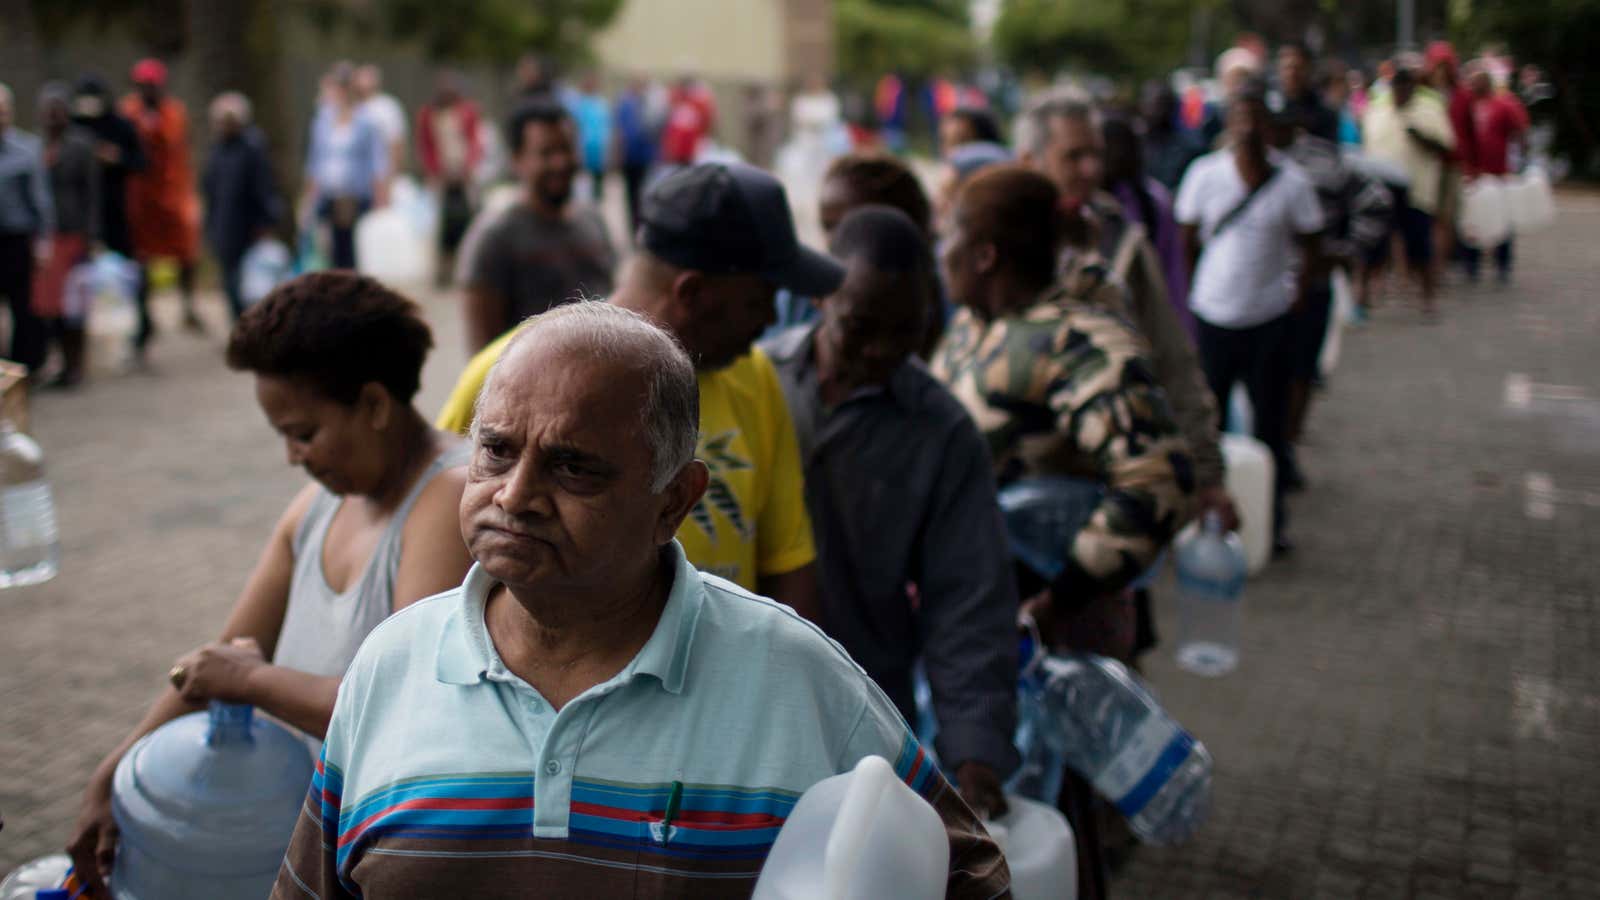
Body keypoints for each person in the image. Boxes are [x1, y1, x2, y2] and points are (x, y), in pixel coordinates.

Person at [270, 302, 1009, 899]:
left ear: (674, 502)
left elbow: (968, 876)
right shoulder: (390, 666)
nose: (515, 496)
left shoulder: (797, 679)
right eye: (494, 450)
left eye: (572, 468)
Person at [68, 272, 473, 897]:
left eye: (303, 433)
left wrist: (252, 682)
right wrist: (113, 773)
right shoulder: (318, 507)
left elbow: (399, 706)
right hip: (297, 844)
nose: (292, 456)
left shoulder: (445, 501)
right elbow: (223, 657)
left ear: (373, 404)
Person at [438, 162, 832, 617]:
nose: (769, 320)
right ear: (694, 294)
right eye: (760, 299)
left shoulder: (755, 377)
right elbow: (440, 545)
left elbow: (787, 559)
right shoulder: (507, 374)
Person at [761, 206, 1019, 819]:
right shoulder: (755, 384)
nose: (881, 350)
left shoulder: (943, 433)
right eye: (861, 327)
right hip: (738, 703)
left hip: (862, 719)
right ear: (822, 300)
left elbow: (969, 602)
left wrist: (974, 754)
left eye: (905, 332)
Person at [1016, 93, 1230, 539]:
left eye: (1096, 153)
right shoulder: (995, 242)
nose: (1091, 169)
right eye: (1073, 156)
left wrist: (1207, 473)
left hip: (1107, 485)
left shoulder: (1121, 238)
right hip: (1018, 484)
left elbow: (1172, 357)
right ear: (1029, 160)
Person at [1176, 83, 1324, 553]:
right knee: (1206, 426)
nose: (1248, 129)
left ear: (1271, 129)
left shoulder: (1293, 183)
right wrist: (1193, 292)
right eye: (1240, 119)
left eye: (1257, 120)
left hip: (1268, 320)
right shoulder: (1205, 174)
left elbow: (1311, 241)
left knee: (1269, 428)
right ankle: (1200, 517)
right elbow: (1186, 237)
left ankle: (1270, 523)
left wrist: (1297, 294)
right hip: (1214, 317)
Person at [1269, 103, 1393, 478]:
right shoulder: (1239, 159)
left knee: (1302, 371)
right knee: (1268, 375)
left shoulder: (1326, 160)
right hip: (1261, 292)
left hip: (1313, 286)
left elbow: (1376, 202)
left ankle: (1286, 449)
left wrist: (1346, 251)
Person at [458, 99, 615, 354]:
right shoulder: (494, 237)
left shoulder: (593, 221)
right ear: (517, 160)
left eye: (567, 149)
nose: (561, 162)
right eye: (547, 153)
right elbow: (482, 354)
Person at [120, 59, 204, 346]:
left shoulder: (174, 112)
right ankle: (145, 316)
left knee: (187, 249)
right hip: (141, 198)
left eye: (151, 85)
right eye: (142, 86)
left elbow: (173, 144)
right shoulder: (128, 111)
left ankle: (188, 305)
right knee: (140, 257)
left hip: (173, 192)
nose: (147, 90)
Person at [1361, 65, 1455, 316]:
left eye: (1406, 89)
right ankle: (1362, 297)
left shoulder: (1430, 111)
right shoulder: (1376, 111)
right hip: (1380, 190)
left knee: (1419, 246)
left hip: (1416, 191)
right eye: (1397, 89)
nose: (1401, 94)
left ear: (1414, 89)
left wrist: (1422, 138)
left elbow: (1447, 148)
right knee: (1372, 245)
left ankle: (1428, 299)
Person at [33, 83, 99, 387]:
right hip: (47, 236)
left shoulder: (81, 146)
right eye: (48, 112)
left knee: (75, 305)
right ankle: (58, 361)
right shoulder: (35, 148)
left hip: (74, 234)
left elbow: (92, 193)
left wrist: (91, 234)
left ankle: (76, 365)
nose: (53, 118)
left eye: (57, 111)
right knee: (51, 306)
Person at [202, 92, 282, 322]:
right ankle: (238, 326)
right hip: (224, 227)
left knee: (251, 285)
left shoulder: (253, 146)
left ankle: (253, 326)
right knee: (230, 284)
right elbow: (211, 189)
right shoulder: (217, 149)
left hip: (249, 228)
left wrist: (266, 221)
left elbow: (265, 186)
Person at [302, 62, 388, 270]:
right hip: (328, 194)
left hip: (355, 194)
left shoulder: (366, 121)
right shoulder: (323, 121)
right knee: (328, 249)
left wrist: (381, 196)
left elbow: (377, 162)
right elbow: (315, 161)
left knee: (351, 250)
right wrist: (308, 197)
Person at [1460, 60, 1530, 283]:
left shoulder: (1504, 105)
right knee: (1472, 221)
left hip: (1498, 172)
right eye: (1471, 81)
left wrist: (1522, 161)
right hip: (1472, 173)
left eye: (1478, 81)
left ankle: (1503, 264)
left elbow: (1520, 131)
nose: (1474, 85)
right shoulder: (1466, 105)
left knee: (1501, 219)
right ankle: (1471, 264)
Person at [0, 82, 52, 374]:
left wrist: (44, 241)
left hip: (17, 240)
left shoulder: (27, 149)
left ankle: (24, 369)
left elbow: (41, 200)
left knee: (24, 309)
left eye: (3, 111)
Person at [415, 71, 483, 287]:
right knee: (441, 224)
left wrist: (468, 167)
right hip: (441, 177)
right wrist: (435, 171)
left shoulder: (467, 112)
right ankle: (442, 269)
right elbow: (426, 146)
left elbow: (474, 141)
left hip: (464, 175)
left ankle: (467, 266)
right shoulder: (428, 114)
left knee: (467, 219)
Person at [1423, 41, 1475, 273]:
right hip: (1427, 162)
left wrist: (1474, 164)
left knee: (1447, 216)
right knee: (1427, 215)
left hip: (1453, 162)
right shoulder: (1423, 93)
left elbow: (1470, 131)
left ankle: (1439, 265)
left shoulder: (1462, 95)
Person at [612, 77, 659, 234]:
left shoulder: (649, 104)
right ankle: (634, 228)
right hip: (629, 157)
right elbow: (619, 132)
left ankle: (641, 226)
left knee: (643, 193)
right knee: (631, 194)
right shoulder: (624, 104)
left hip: (644, 157)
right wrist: (618, 155)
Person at [1139, 80, 1202, 192]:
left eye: (1162, 104)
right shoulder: (1135, 143)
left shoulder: (1190, 145)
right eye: (1151, 104)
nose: (1156, 111)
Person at [1274, 42, 1340, 142]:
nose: (1291, 74)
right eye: (1287, 68)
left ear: (1308, 68)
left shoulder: (1324, 114)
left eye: (1297, 68)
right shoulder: (1270, 107)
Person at [353, 63, 406, 183]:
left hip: (381, 176)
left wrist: (393, 175)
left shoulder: (387, 106)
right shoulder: (353, 108)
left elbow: (396, 142)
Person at [570, 72, 611, 203]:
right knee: (583, 182)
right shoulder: (578, 104)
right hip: (584, 147)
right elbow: (574, 127)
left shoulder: (601, 104)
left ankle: (597, 204)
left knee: (598, 182)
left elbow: (607, 127)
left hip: (598, 148)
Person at [659, 76, 716, 167]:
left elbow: (706, 123)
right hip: (676, 150)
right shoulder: (677, 102)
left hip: (691, 149)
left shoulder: (698, 103)